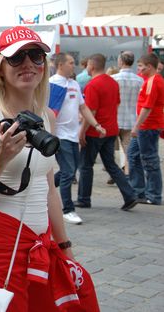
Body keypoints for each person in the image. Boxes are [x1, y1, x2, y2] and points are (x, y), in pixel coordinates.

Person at [0, 26, 99, 311]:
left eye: (36, 56)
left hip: (40, 245)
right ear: (0, 68)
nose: (28, 64)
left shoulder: (47, 116)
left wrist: (65, 248)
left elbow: (49, 190)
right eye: (17, 57)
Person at [76, 53, 140, 210]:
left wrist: (82, 131)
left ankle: (84, 198)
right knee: (111, 164)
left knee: (85, 165)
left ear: (91, 65)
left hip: (94, 131)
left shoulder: (93, 85)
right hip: (111, 129)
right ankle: (129, 195)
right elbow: (116, 105)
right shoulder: (112, 82)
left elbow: (91, 111)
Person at [49, 53, 105, 225]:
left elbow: (83, 107)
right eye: (71, 63)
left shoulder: (74, 84)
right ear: (60, 65)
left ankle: (43, 189)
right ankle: (67, 209)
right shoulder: (51, 84)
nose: (74, 66)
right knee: (68, 172)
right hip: (60, 135)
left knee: (71, 171)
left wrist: (95, 125)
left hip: (73, 135)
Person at [128, 53, 164, 205]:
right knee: (133, 155)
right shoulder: (152, 80)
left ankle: (153, 194)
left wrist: (136, 126)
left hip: (147, 126)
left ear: (149, 66)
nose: (139, 69)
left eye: (141, 66)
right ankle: (139, 191)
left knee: (149, 159)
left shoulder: (153, 81)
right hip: (147, 126)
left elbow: (147, 107)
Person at [112, 51, 144, 176]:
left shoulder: (113, 79)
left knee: (111, 151)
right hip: (132, 120)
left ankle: (114, 174)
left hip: (115, 119)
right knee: (128, 151)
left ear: (121, 61)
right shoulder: (140, 80)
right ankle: (128, 173)